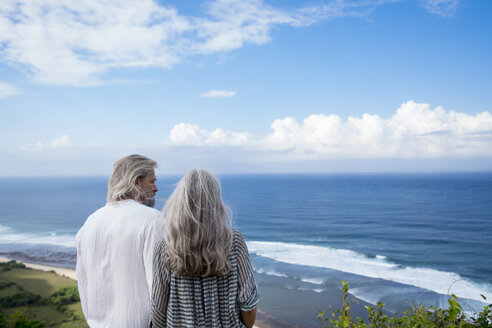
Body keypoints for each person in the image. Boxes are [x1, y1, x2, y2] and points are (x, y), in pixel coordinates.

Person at [150, 168, 259, 328]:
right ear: (215, 202)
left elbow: (159, 309)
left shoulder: (166, 247)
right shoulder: (234, 241)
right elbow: (248, 302)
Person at [76, 154, 166, 327]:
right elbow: (158, 288)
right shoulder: (152, 219)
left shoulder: (89, 223)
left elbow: (84, 284)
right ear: (136, 182)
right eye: (152, 181)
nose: (155, 188)